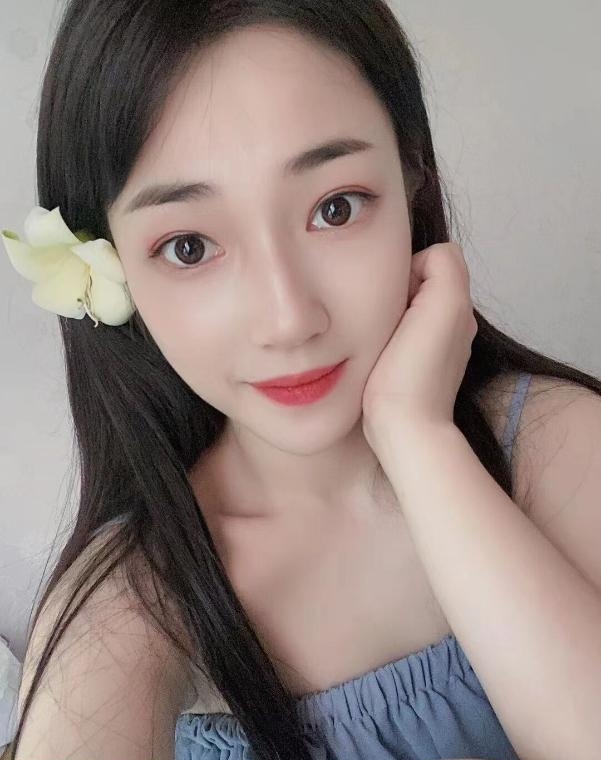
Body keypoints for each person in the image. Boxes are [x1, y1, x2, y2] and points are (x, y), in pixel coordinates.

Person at [3, 1, 601, 759]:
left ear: (411, 181)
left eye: (335, 208)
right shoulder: (134, 601)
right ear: (113, 269)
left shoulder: (552, 446)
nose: (287, 319)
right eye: (189, 247)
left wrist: (417, 438)